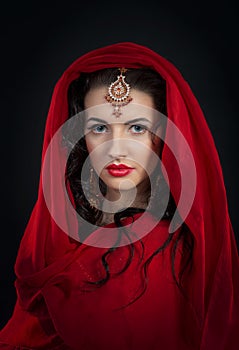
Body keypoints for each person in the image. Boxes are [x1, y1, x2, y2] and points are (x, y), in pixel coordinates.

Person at [0, 42, 238, 349]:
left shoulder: (179, 254)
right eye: (99, 128)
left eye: (136, 128)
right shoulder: (59, 242)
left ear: (162, 135)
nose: (116, 148)